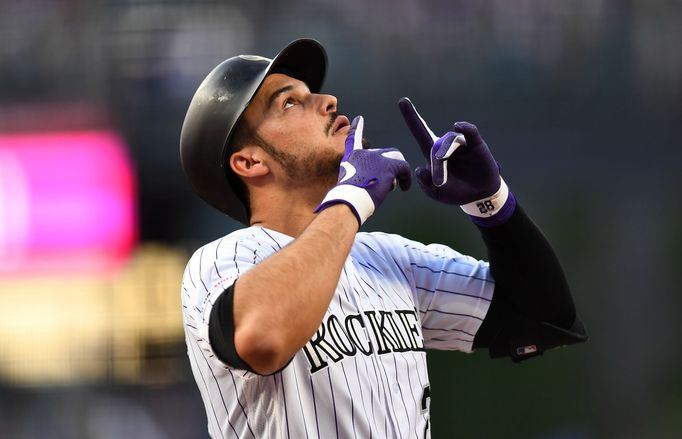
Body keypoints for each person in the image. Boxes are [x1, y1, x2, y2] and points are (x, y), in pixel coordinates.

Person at [179, 38, 587, 439]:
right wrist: (351, 199)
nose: (328, 101)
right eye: (289, 102)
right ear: (250, 161)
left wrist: (493, 205)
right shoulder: (224, 259)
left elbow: (545, 319)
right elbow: (262, 336)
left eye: (312, 93)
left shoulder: (388, 259)